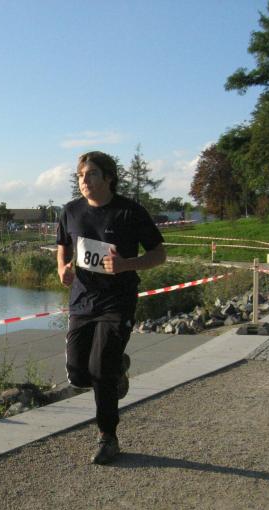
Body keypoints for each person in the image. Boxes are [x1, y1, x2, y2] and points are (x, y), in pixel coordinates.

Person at [56, 151, 166, 465]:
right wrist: (62, 268)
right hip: (82, 301)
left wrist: (126, 265)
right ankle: (118, 368)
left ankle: (108, 437)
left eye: (91, 174)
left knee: (100, 368)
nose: (84, 181)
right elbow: (63, 246)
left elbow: (159, 254)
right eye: (80, 176)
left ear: (108, 178)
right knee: (78, 373)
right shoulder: (71, 211)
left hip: (117, 301)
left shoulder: (129, 212)